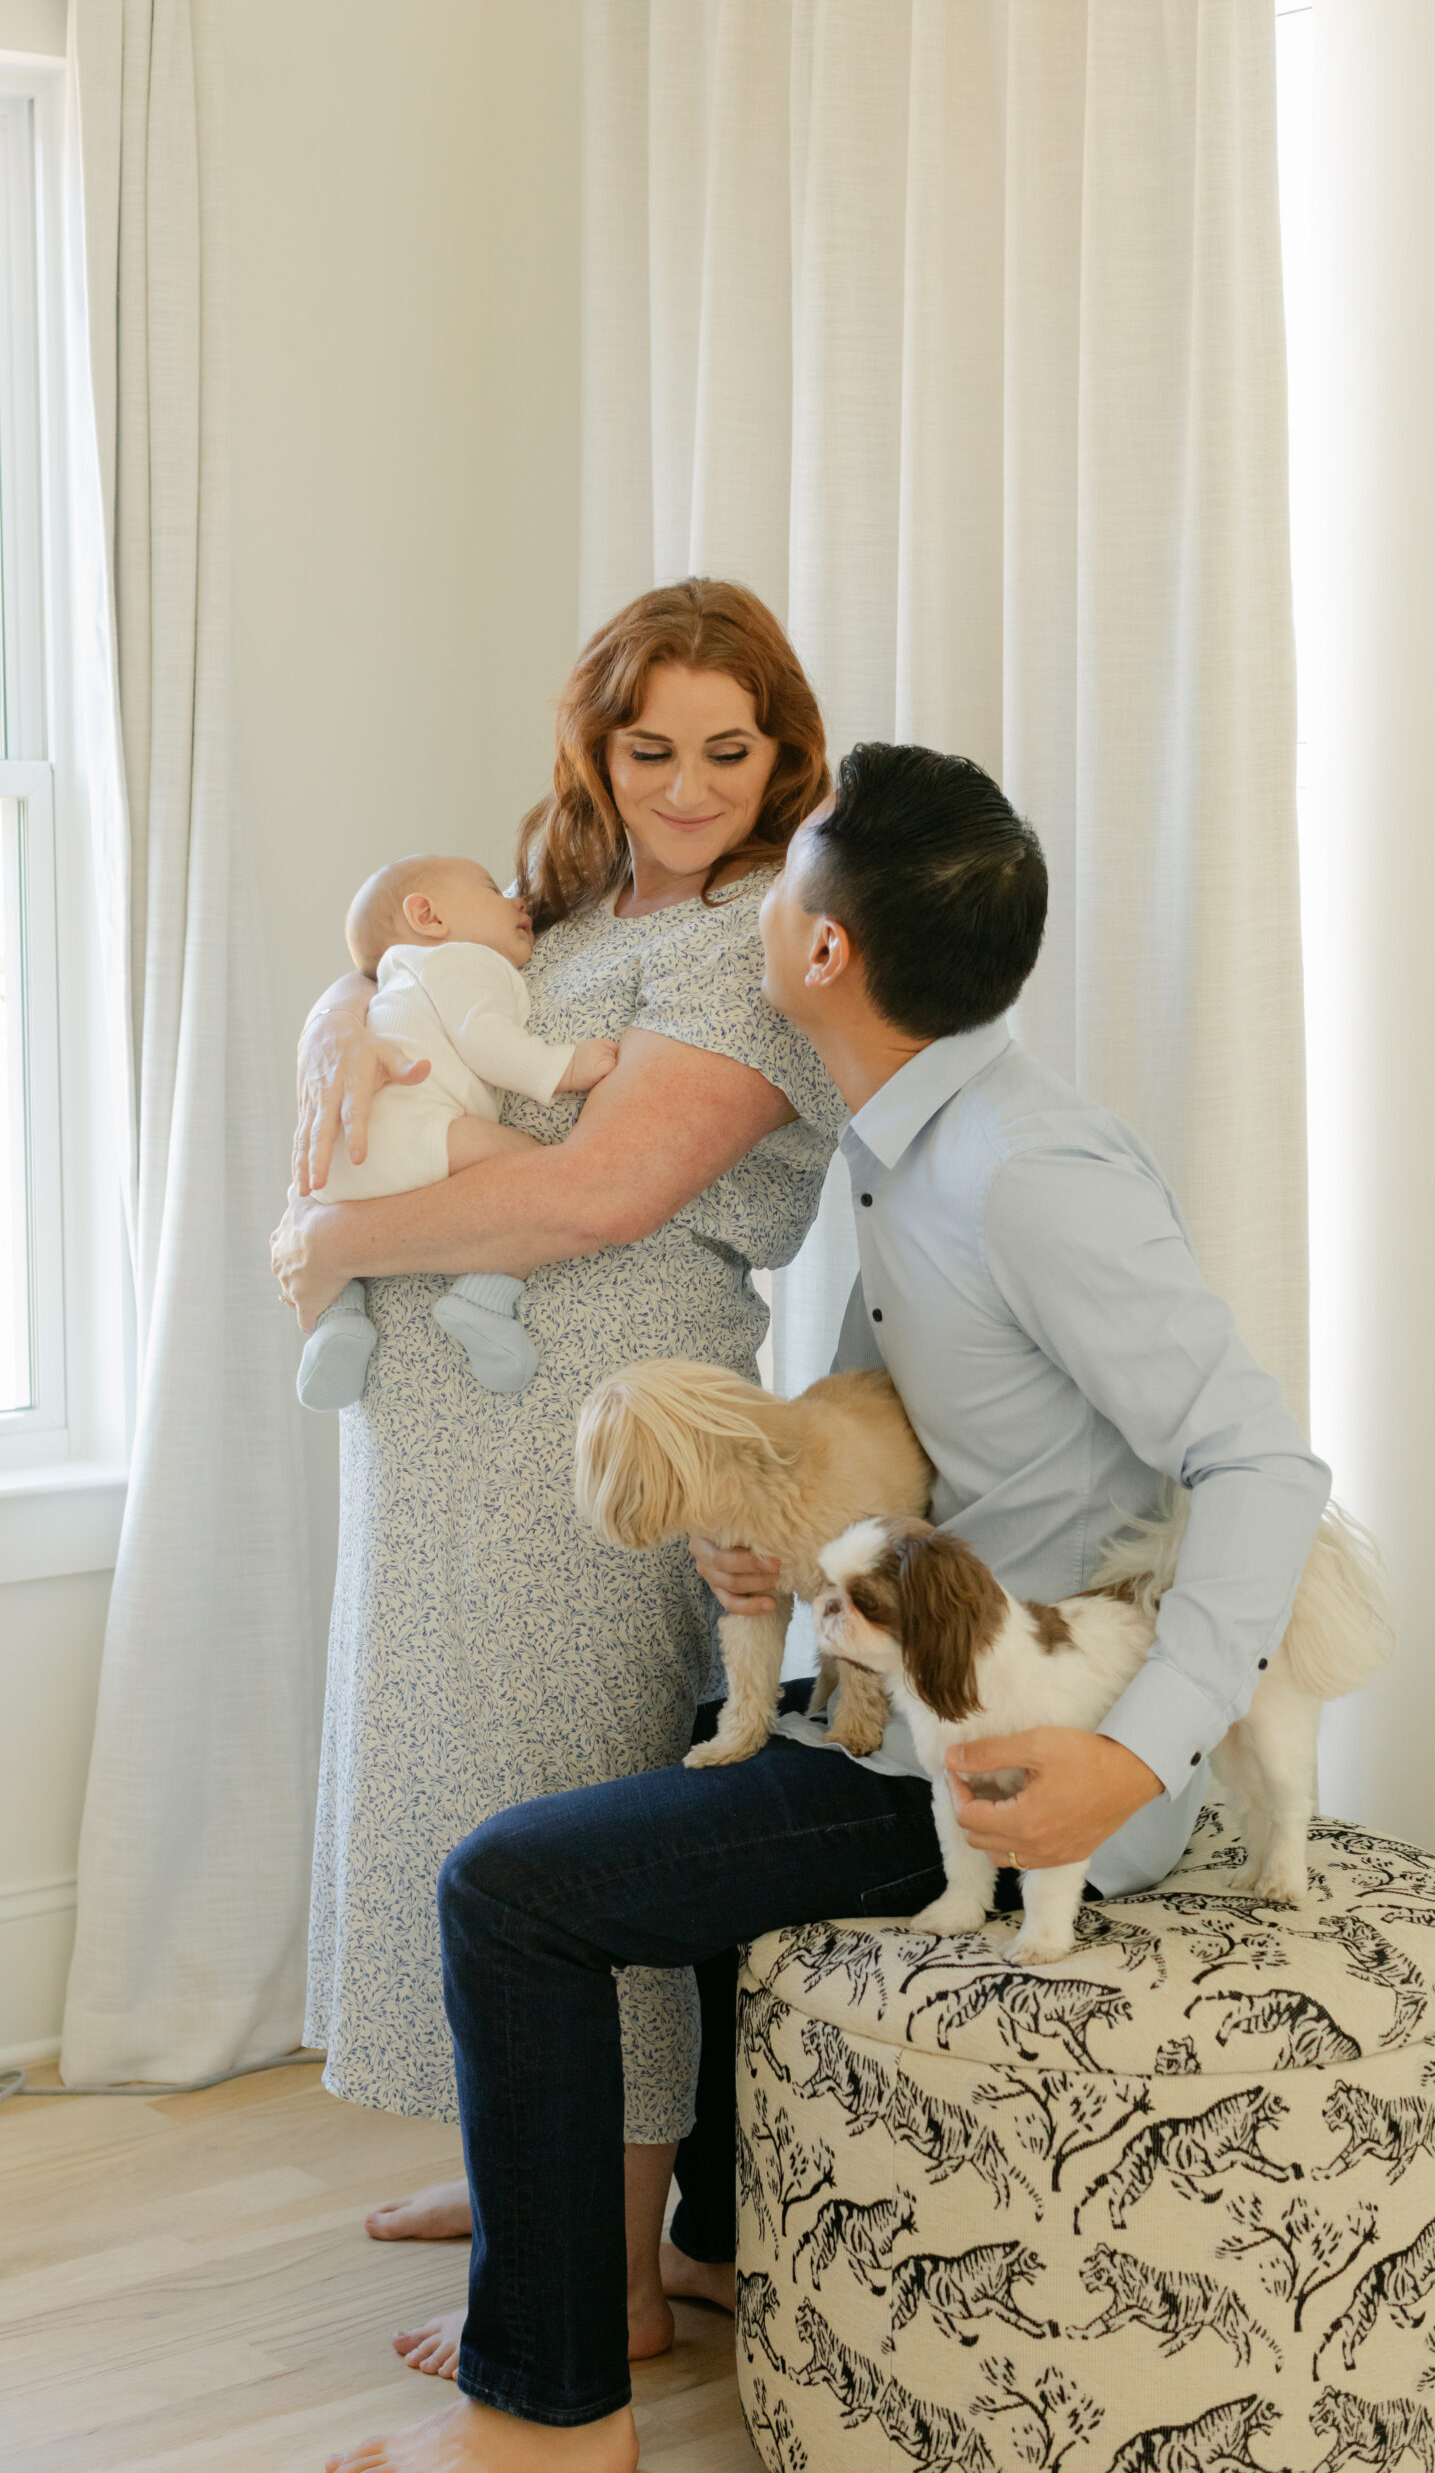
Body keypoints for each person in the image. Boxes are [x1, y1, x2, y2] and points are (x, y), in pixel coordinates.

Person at [319, 742, 1332, 2473]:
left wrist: (1133, 1764)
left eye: (782, 871)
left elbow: (1261, 1465)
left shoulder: (1027, 1171)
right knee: (668, 1773)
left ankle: (547, 2420)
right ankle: (710, 2242)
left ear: (820, 957)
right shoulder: (910, 1144)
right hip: (924, 1686)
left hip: (1029, 1750)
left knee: (513, 1892)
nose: (755, 897)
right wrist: (775, 1545)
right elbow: (922, 1447)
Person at [271, 579, 847, 2378]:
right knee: (456, 1780)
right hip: (449, 1431)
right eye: (647, 744)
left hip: (607, 1425)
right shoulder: (584, 903)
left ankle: (603, 2267)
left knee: (568, 1805)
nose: (685, 784)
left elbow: (600, 1194)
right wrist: (328, 1043)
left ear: (781, 754)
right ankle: (519, 2163)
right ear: (598, 748)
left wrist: (339, 1229)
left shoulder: (760, 937)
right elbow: (394, 982)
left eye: (726, 750)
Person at [296, 853, 619, 1407]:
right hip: (419, 1130)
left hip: (347, 1163)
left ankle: (338, 1321)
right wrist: (562, 1066)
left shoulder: (399, 977)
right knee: (533, 1173)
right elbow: (485, 1040)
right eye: (495, 890)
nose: (518, 900)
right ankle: (483, 1298)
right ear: (427, 916)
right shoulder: (461, 961)